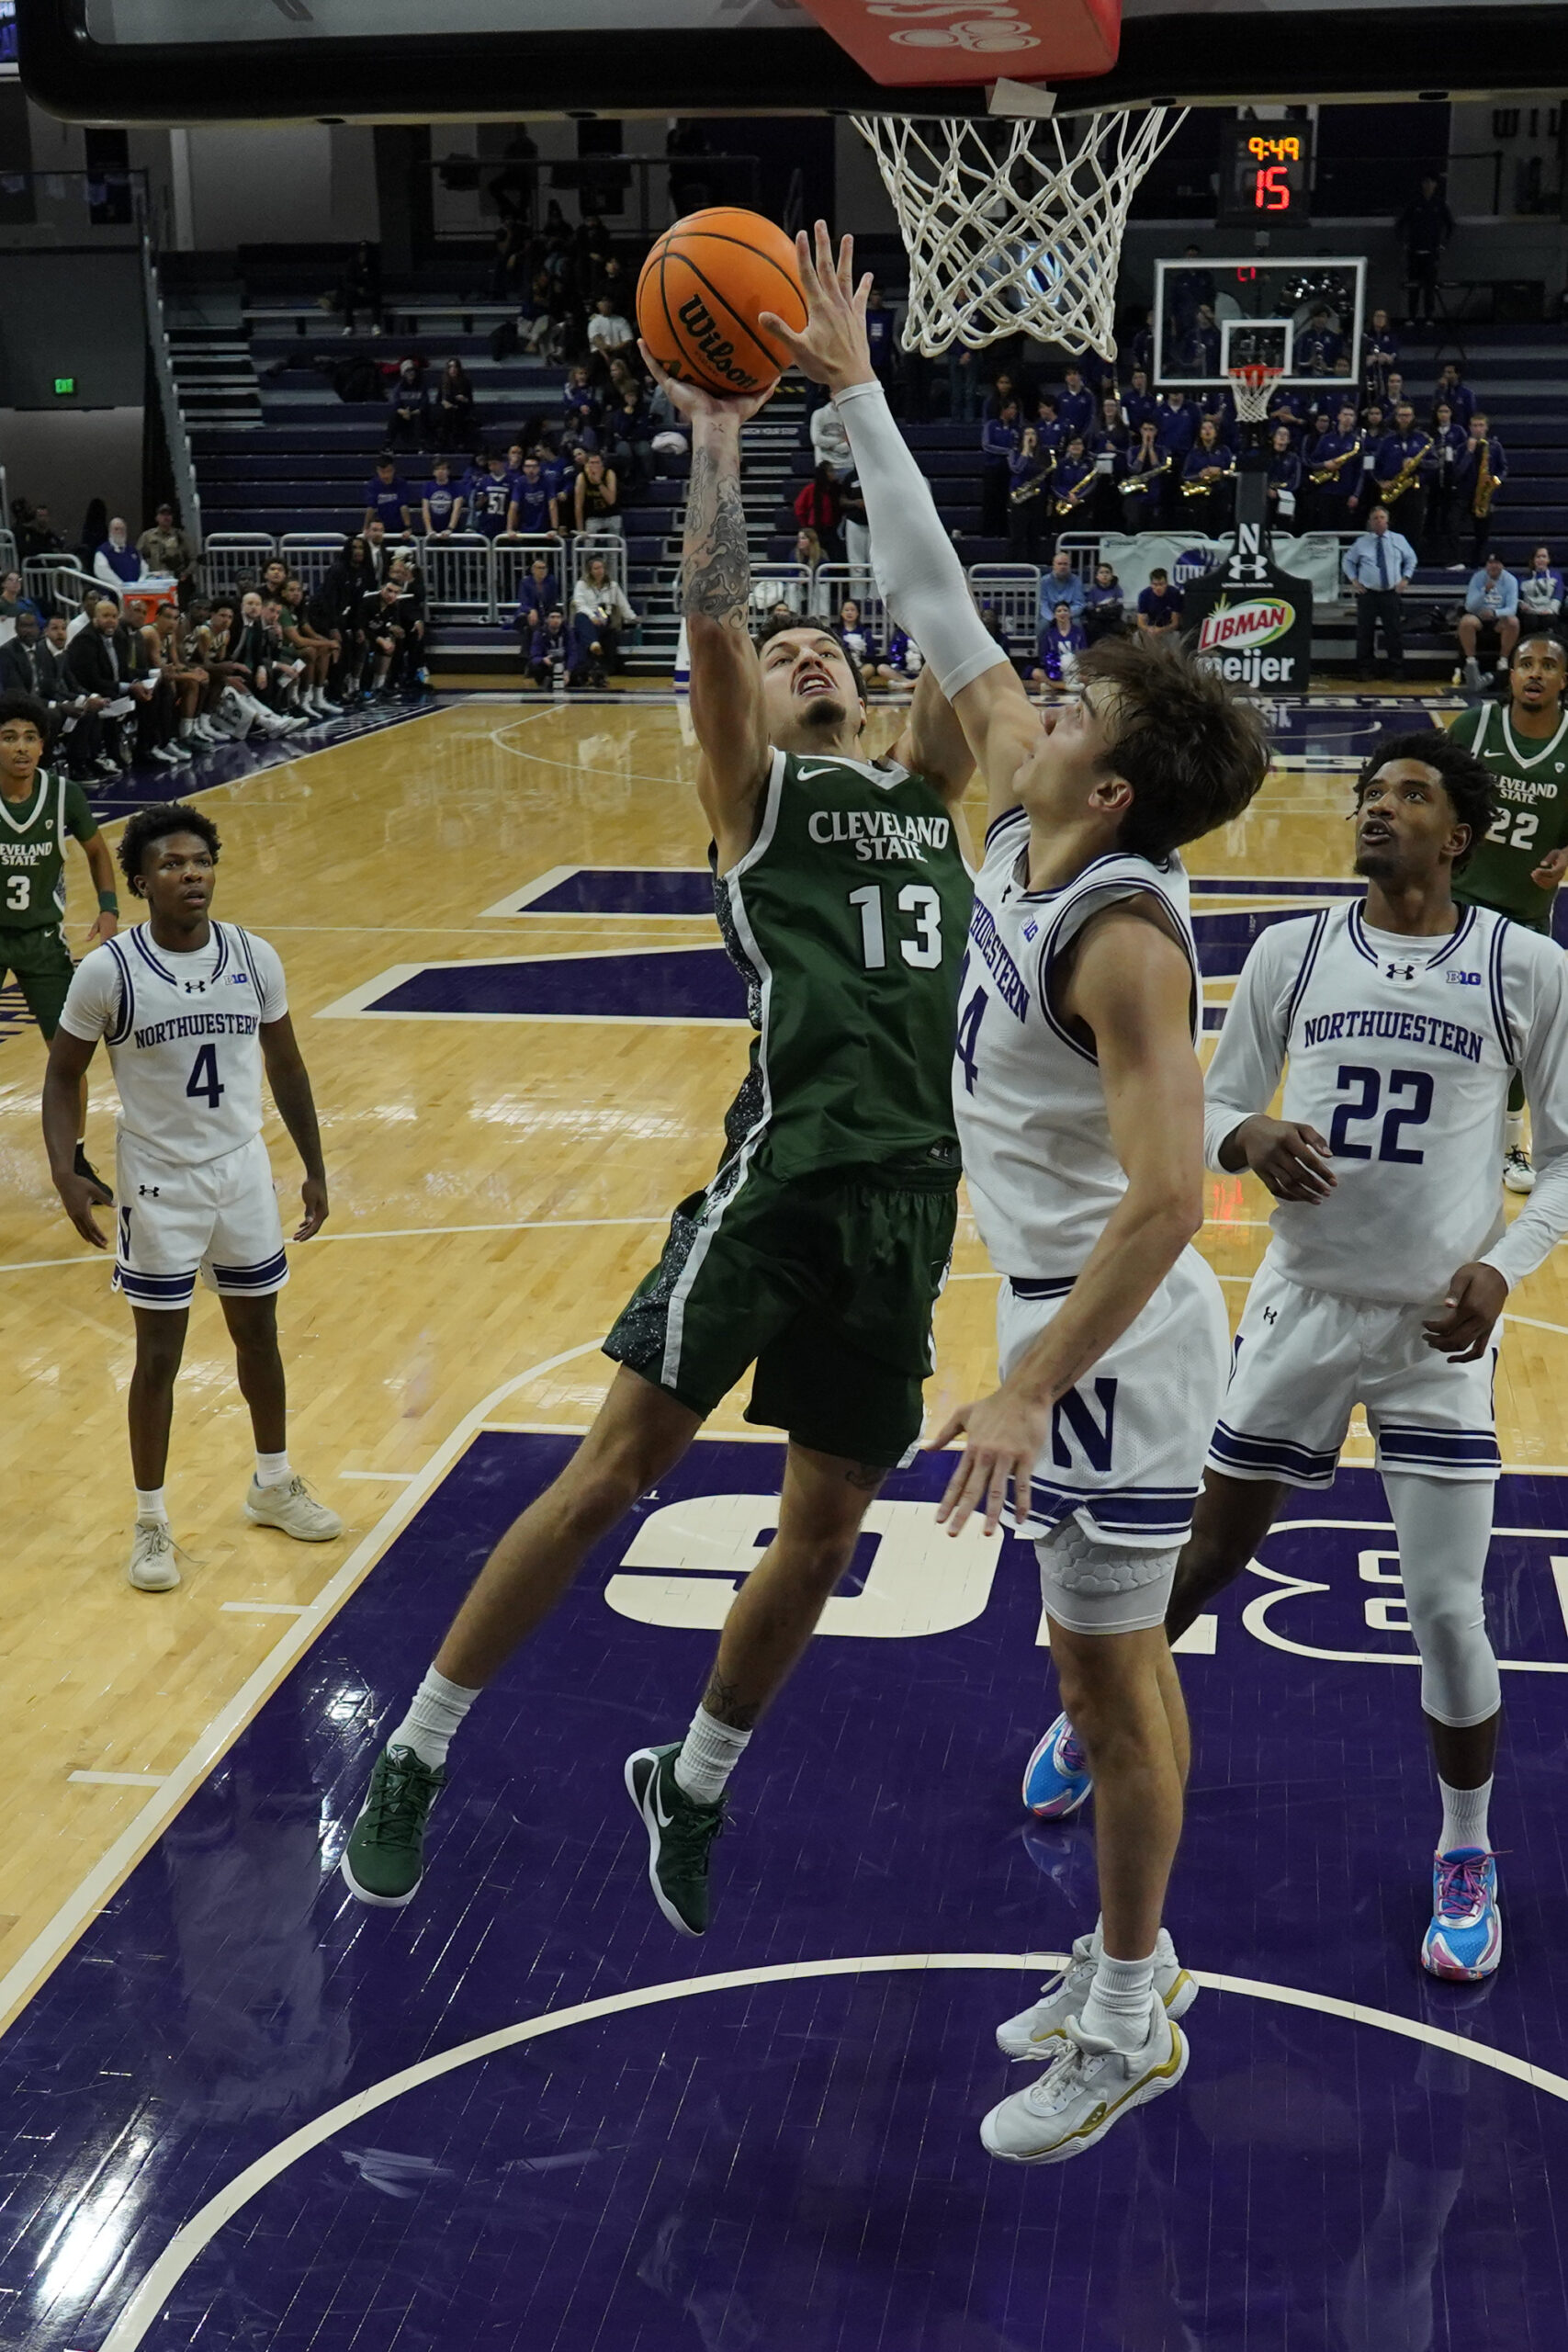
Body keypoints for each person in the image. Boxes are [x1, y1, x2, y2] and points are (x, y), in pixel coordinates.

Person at [338, 255, 977, 1950]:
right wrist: (712, 443)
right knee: (619, 1462)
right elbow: (711, 623)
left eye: (820, 640)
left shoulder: (927, 787)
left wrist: (863, 391)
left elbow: (942, 615)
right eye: (784, 654)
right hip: (783, 1178)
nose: (804, 648)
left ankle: (688, 1781)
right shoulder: (755, 801)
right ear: (751, 718)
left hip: (916, 1197)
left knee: (829, 1524)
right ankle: (415, 1753)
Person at [742, 226, 1269, 2167]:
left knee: (1112, 1678)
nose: (1033, 700)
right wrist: (858, 389)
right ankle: (1136, 1965)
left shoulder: (1123, 935)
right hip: (1050, 1310)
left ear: (1107, 790)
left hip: (1108, 1331)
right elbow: (933, 587)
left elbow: (1165, 1200)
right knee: (1087, 1658)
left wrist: (1034, 1375)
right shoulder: (1030, 802)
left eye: (1071, 713)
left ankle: (1132, 2003)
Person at [1032, 726, 1568, 1991]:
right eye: (1371, 792)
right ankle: (1086, 1716)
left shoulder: (1525, 967)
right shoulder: (1291, 950)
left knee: (1444, 1609)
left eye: (1411, 795)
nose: (1378, 809)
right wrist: (1248, 1137)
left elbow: (1562, 1162)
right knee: (1209, 1550)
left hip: (1436, 1324)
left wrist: (1504, 1269)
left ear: (1462, 835)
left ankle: (1463, 1853)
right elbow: (1204, 1108)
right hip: (1298, 1306)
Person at [42, 801, 342, 1590]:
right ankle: (150, 1522)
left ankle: (272, 1483)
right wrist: (65, 1165)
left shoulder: (253, 956)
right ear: (140, 882)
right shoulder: (108, 971)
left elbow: (289, 1068)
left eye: (201, 861)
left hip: (241, 1171)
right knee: (159, 1356)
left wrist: (312, 1165)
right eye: (172, 865)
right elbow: (62, 1073)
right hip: (158, 1181)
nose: (191, 875)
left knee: (259, 1335)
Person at [1445, 631, 1568, 1196]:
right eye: (1525, 664)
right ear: (1511, 674)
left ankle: (1510, 1140)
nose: (1535, 673)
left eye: (1547, 665)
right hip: (1458, 903)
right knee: (1446, 1020)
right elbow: (1430, 792)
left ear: (1563, 680)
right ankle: (1444, 1130)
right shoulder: (1475, 728)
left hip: (1526, 910)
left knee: (1520, 1031)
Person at [0, 690, 118, 1199]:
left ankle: (75, 1161)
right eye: (8, 738)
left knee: (67, 1058)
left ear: (44, 746)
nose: (20, 747)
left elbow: (97, 850)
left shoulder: (64, 795)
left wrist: (109, 907)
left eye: (30, 737)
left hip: (42, 940)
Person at [1343, 505, 1416, 682]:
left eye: (1382, 517)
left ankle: (1396, 670)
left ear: (1387, 520)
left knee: (1394, 633)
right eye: (1375, 518)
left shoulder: (1399, 540)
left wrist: (1405, 578)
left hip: (1390, 593)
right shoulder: (1362, 542)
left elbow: (1411, 559)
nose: (1379, 520)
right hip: (1368, 593)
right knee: (1364, 634)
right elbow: (1347, 561)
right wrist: (1354, 580)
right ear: (1370, 522)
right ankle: (1365, 670)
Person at [1456, 551, 1520, 690]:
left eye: (1496, 563)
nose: (1493, 566)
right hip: (1478, 617)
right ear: (1486, 565)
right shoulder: (1477, 578)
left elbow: (1512, 608)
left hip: (1499, 618)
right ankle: (1471, 662)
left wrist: (1495, 612)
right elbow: (1469, 606)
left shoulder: (1510, 580)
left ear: (1502, 565)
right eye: (1490, 563)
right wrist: (1484, 591)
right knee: (1466, 622)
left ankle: (1503, 660)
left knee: (1513, 622)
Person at [570, 555, 637, 687]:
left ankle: (593, 646)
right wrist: (592, 616)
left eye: (601, 568)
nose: (599, 571)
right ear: (590, 571)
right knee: (581, 617)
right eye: (596, 568)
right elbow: (579, 604)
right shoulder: (581, 585)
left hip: (605, 617)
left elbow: (623, 604)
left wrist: (633, 617)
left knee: (590, 630)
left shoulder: (613, 586)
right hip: (588, 616)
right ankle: (593, 643)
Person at [1374, 401, 1434, 551]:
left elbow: (1435, 463)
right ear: (1396, 417)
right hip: (1393, 490)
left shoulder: (1423, 439)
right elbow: (1375, 466)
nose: (1404, 419)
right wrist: (1381, 482)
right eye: (1401, 415)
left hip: (1415, 491)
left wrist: (1418, 463)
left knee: (1414, 528)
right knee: (1393, 528)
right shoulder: (1387, 440)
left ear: (1413, 417)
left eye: (1407, 415)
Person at [1399, 174, 1454, 324]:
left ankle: (1429, 317)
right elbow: (1401, 223)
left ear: (1435, 185)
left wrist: (1443, 243)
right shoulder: (1415, 203)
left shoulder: (1439, 204)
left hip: (1431, 252)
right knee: (1413, 286)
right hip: (1415, 251)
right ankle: (1412, 316)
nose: (1428, 185)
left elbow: (1450, 224)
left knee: (1430, 286)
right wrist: (1404, 242)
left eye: (1431, 182)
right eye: (1426, 182)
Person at [1455, 413, 1507, 570]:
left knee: (1482, 533)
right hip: (1466, 493)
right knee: (1454, 525)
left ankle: (1476, 563)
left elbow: (1503, 468)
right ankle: (1456, 561)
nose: (1478, 429)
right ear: (1470, 428)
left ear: (1486, 427)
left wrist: (1496, 480)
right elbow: (1458, 472)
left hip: (1485, 494)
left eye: (1481, 425)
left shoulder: (1495, 447)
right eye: (1475, 426)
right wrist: (1469, 453)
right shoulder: (1462, 447)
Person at [1426, 400, 1467, 565]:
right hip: (1434, 480)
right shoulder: (1431, 432)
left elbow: (1464, 452)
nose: (1443, 415)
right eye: (1440, 411)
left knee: (1450, 520)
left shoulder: (1458, 431)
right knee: (1432, 518)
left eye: (1446, 411)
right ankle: (1432, 554)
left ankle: (1452, 557)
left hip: (1452, 481)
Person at [1179, 417, 1235, 536]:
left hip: (1220, 493)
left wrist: (1219, 471)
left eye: (1210, 428)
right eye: (1204, 428)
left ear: (1216, 432)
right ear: (1200, 433)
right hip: (1200, 497)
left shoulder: (1224, 450)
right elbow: (1184, 476)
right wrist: (1199, 475)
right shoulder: (1194, 453)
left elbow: (1233, 472)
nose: (1207, 431)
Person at [135, 504, 197, 600]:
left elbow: (194, 558)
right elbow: (137, 557)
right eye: (163, 514)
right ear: (157, 517)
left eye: (169, 515)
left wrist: (186, 573)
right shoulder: (147, 536)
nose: (166, 517)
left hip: (176, 580)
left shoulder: (181, 536)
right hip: (154, 580)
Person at [1117, 420, 1170, 529]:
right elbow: (1135, 469)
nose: (1148, 433)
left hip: (1155, 491)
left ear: (1156, 432)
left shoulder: (1162, 450)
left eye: (1151, 430)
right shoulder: (1133, 450)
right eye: (1145, 430)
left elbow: (1158, 468)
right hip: (1136, 493)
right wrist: (1144, 448)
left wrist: (1150, 448)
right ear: (1141, 431)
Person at [1006, 425, 1048, 560]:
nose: (1030, 437)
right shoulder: (1015, 452)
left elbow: (1044, 471)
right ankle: (1012, 566)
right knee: (1017, 536)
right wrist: (1025, 449)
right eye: (1027, 434)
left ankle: (1034, 564)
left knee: (1034, 536)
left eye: (1033, 434)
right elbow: (1017, 469)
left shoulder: (1043, 454)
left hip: (1036, 498)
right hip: (1019, 498)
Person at [1029, 600, 1088, 694]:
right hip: (1056, 671)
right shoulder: (1049, 634)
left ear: (1070, 614)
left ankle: (1053, 686)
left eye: (1065, 610)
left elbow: (1084, 652)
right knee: (1035, 673)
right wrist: (1054, 666)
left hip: (1074, 670)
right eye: (1059, 611)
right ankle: (1065, 686)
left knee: (1088, 676)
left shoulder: (1078, 632)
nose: (1062, 613)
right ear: (1054, 615)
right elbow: (1044, 656)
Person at [793, 463, 842, 560]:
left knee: (836, 556)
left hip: (831, 530)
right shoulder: (811, 489)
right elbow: (799, 508)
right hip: (815, 530)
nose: (834, 474)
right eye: (830, 471)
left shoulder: (835, 490)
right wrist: (806, 526)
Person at [526, 606, 583, 691]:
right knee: (534, 666)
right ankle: (545, 681)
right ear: (546, 619)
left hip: (564, 664)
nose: (555, 620)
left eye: (558, 617)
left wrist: (568, 671)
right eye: (552, 617)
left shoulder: (568, 632)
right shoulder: (539, 634)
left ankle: (570, 680)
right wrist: (543, 660)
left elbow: (573, 653)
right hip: (548, 664)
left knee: (581, 665)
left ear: (563, 619)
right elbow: (534, 656)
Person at [1518, 547, 1565, 639]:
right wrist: (1522, 604)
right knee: (1531, 621)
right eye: (1538, 557)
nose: (1541, 559)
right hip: (1530, 612)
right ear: (1533, 559)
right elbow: (1518, 597)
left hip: (1549, 612)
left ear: (1548, 560)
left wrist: (1551, 610)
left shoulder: (1556, 576)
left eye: (1544, 556)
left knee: (1549, 620)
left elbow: (1558, 594)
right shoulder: (1524, 578)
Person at [574, 449, 621, 539]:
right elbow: (578, 506)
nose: (594, 466)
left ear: (602, 464)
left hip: (612, 514)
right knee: (587, 545)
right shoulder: (582, 477)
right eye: (592, 463)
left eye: (597, 463)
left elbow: (611, 501)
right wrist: (580, 530)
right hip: (593, 517)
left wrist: (599, 483)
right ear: (586, 464)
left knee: (614, 544)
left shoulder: (609, 474)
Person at [363, 456, 412, 538]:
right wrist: (366, 528)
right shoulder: (373, 484)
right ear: (377, 471)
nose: (386, 475)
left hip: (398, 528)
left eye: (389, 472)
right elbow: (371, 508)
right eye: (382, 472)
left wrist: (408, 527)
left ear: (393, 470)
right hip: (380, 528)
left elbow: (403, 506)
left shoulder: (401, 483)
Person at [1264, 424, 1303, 530]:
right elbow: (1261, 476)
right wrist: (1267, 489)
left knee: (1284, 526)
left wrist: (1280, 491)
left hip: (1286, 497)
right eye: (1279, 433)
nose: (1282, 436)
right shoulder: (1265, 456)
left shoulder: (1294, 458)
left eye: (1286, 434)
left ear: (1289, 440)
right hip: (1266, 496)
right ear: (1273, 438)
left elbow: (1295, 480)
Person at [432, 358, 475, 452]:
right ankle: (444, 441)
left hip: (461, 408)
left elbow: (470, 402)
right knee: (447, 413)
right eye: (450, 367)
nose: (453, 369)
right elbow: (438, 400)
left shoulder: (466, 382)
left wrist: (464, 399)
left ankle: (456, 441)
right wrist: (444, 402)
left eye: (455, 366)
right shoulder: (443, 383)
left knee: (457, 414)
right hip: (447, 410)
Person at [421, 457, 465, 539]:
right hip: (433, 532)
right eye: (437, 469)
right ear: (433, 472)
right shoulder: (427, 487)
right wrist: (429, 529)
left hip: (453, 533)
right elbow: (425, 510)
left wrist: (450, 529)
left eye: (443, 469)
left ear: (448, 471)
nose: (440, 471)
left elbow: (457, 510)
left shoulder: (456, 487)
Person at [1361, 308, 1399, 401]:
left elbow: (1392, 357)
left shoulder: (1391, 336)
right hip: (1369, 374)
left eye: (1382, 316)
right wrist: (1376, 357)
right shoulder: (1366, 336)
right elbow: (1363, 358)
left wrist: (1382, 357)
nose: (1380, 319)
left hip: (1386, 373)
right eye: (1377, 316)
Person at [1083, 562, 1124, 645]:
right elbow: (1090, 611)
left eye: (1107, 572)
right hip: (1098, 621)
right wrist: (1105, 611)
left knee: (1120, 627)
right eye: (1101, 572)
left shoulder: (1117, 590)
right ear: (1097, 576)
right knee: (1092, 627)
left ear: (1112, 576)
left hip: (1112, 620)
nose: (1104, 575)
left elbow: (1118, 610)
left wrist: (1100, 610)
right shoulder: (1093, 591)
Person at [94, 520, 141, 590]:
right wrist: (122, 586)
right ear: (110, 531)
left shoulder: (132, 550)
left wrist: (140, 584)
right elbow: (102, 572)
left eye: (122, 529)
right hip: (113, 594)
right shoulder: (102, 551)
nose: (119, 531)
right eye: (116, 529)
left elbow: (144, 569)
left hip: (135, 593)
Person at [1135, 569, 1182, 637]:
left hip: (1170, 629)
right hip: (1152, 627)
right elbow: (1141, 622)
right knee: (1137, 636)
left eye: (1161, 584)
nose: (1158, 588)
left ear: (1166, 584)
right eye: (1155, 584)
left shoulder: (1174, 593)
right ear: (1151, 584)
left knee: (1175, 635)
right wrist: (1148, 629)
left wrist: (1161, 630)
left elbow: (1175, 623)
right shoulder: (1144, 595)